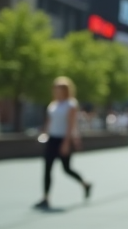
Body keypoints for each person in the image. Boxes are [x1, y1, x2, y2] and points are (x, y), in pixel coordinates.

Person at [34, 77, 91, 209]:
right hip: (52, 139)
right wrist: (45, 134)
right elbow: (49, 122)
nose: (56, 91)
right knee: (47, 168)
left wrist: (66, 142)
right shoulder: (53, 105)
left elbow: (71, 125)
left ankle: (85, 184)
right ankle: (45, 197)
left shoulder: (70, 104)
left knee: (66, 169)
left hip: (63, 139)